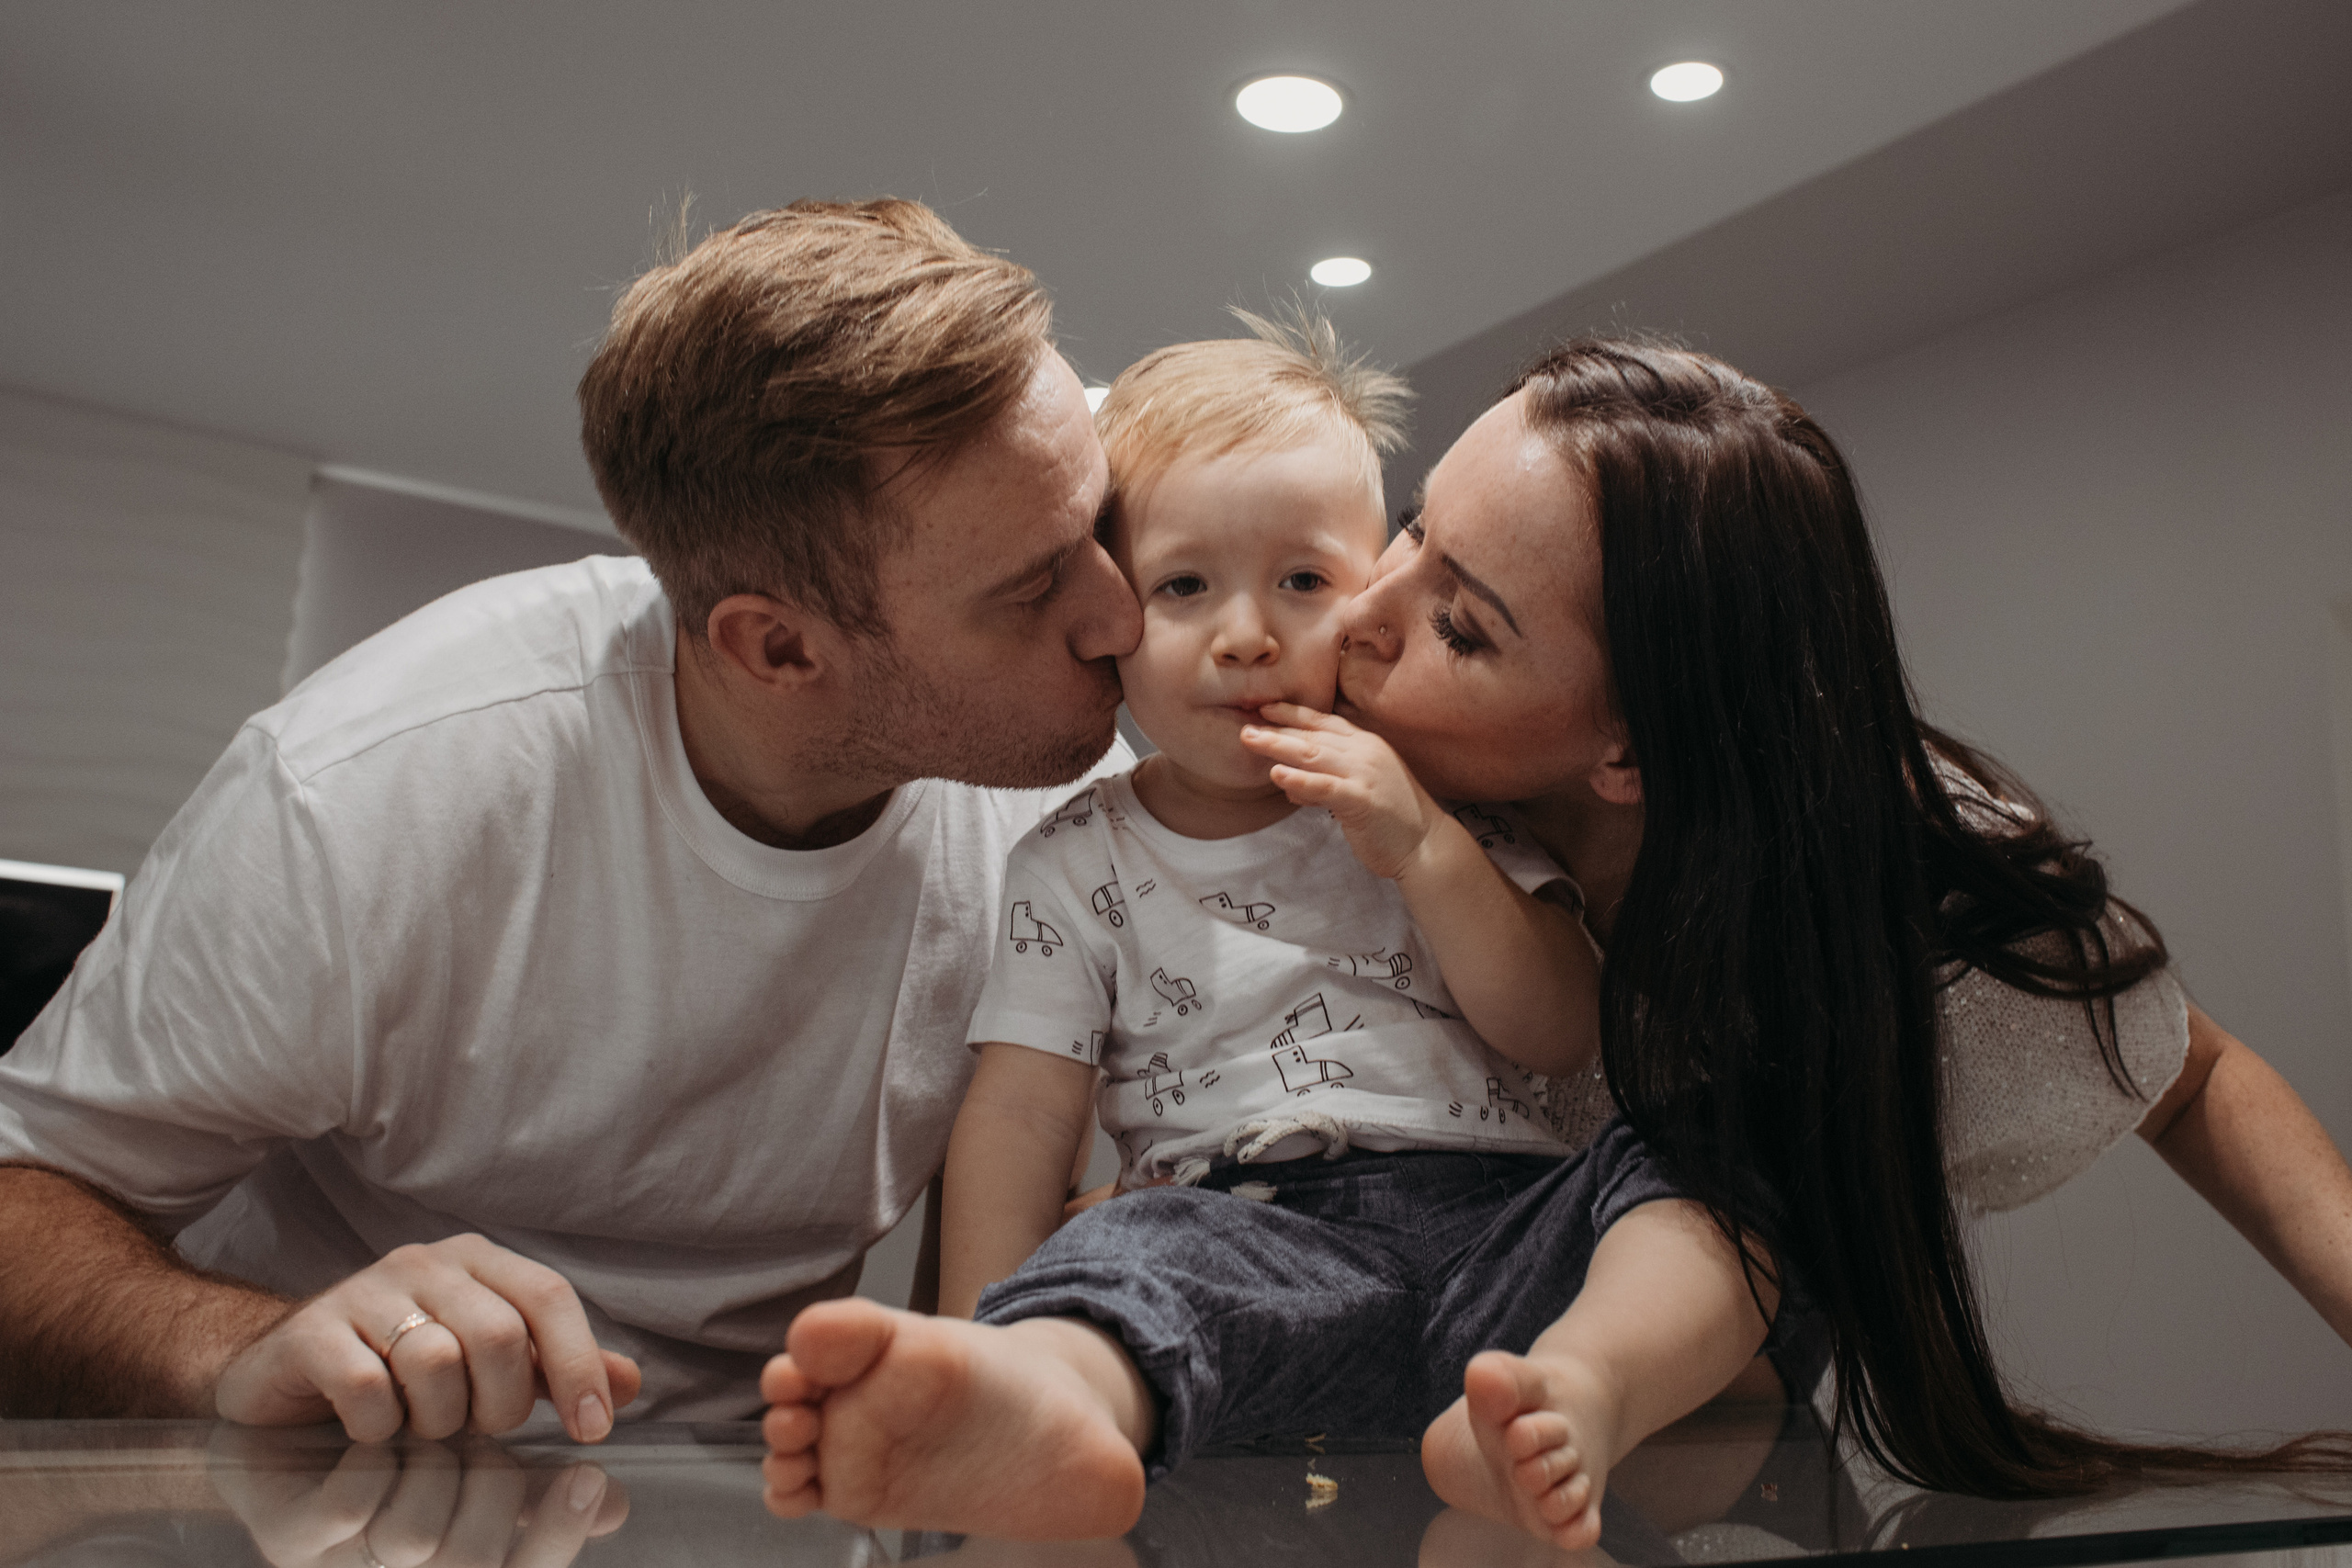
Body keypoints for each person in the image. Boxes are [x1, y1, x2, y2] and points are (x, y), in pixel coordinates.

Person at [0, 197, 1141, 1438]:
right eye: (1034, 587)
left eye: (1101, 526)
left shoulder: (1072, 821)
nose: (1123, 616)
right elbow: (26, 1198)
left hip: (738, 1506)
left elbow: (983, 1285)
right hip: (328, 1490)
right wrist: (245, 1347)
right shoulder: (366, 793)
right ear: (776, 649)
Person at [756, 319, 1800, 1546]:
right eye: (1184, 586)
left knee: (1695, 1176)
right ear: (1110, 610)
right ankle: (1034, 1410)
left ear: (1368, 596)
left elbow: (1563, 1029)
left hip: (1500, 1227)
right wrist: (989, 1324)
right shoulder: (1077, 856)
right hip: (1239, 1228)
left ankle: (1583, 1386)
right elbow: (1023, 1116)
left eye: (1303, 582)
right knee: (1125, 1264)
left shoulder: (1440, 803)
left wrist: (1423, 849)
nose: (1245, 633)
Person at [1299, 335, 2352, 1541]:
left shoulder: (1883, 882)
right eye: (1410, 524)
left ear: (1633, 748)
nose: (1362, 614)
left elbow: (2190, 1075)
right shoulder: (1298, 794)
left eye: (1462, 629)